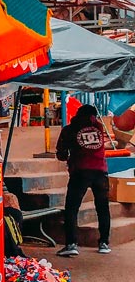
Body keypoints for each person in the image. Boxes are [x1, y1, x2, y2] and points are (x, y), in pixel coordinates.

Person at [55, 103, 111, 256]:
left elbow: (61, 153)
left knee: (72, 208)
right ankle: (104, 243)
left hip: (80, 171)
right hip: (101, 172)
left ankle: (71, 244)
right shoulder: (99, 127)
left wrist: (68, 157)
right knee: (103, 208)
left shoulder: (70, 129)